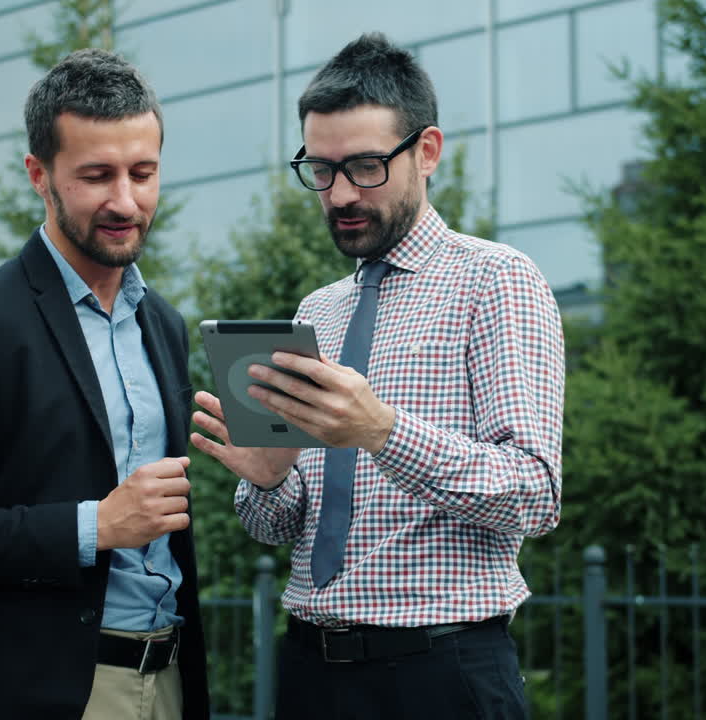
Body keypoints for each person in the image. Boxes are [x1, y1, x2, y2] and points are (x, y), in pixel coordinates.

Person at [190, 32, 564, 719]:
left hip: (442, 673)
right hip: (310, 669)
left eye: (364, 166)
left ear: (426, 152)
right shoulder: (318, 312)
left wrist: (383, 432)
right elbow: (278, 527)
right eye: (321, 170)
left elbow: (535, 494)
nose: (339, 195)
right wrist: (268, 478)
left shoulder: (497, 281)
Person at [0, 49, 208, 720]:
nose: (125, 200)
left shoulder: (164, 325)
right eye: (96, 175)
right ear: (39, 175)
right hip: (46, 695)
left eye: (143, 173)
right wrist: (96, 526)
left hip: (168, 681)